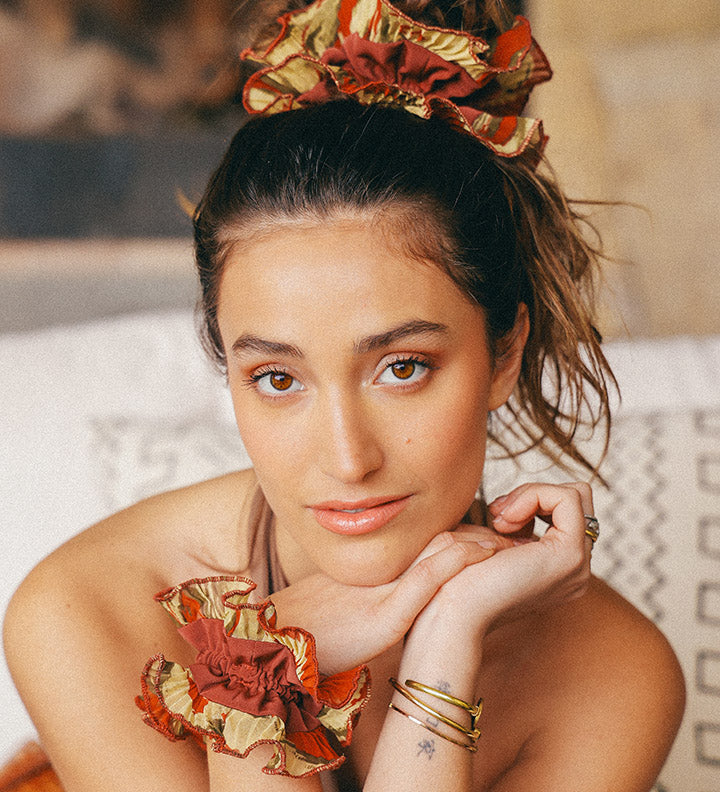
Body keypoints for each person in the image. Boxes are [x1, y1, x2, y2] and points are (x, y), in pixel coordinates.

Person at [3, 1, 685, 790]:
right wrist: (262, 663)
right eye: (278, 379)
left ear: (504, 353)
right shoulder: (90, 609)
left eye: (403, 367)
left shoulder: (613, 675)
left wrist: (445, 637)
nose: (348, 459)